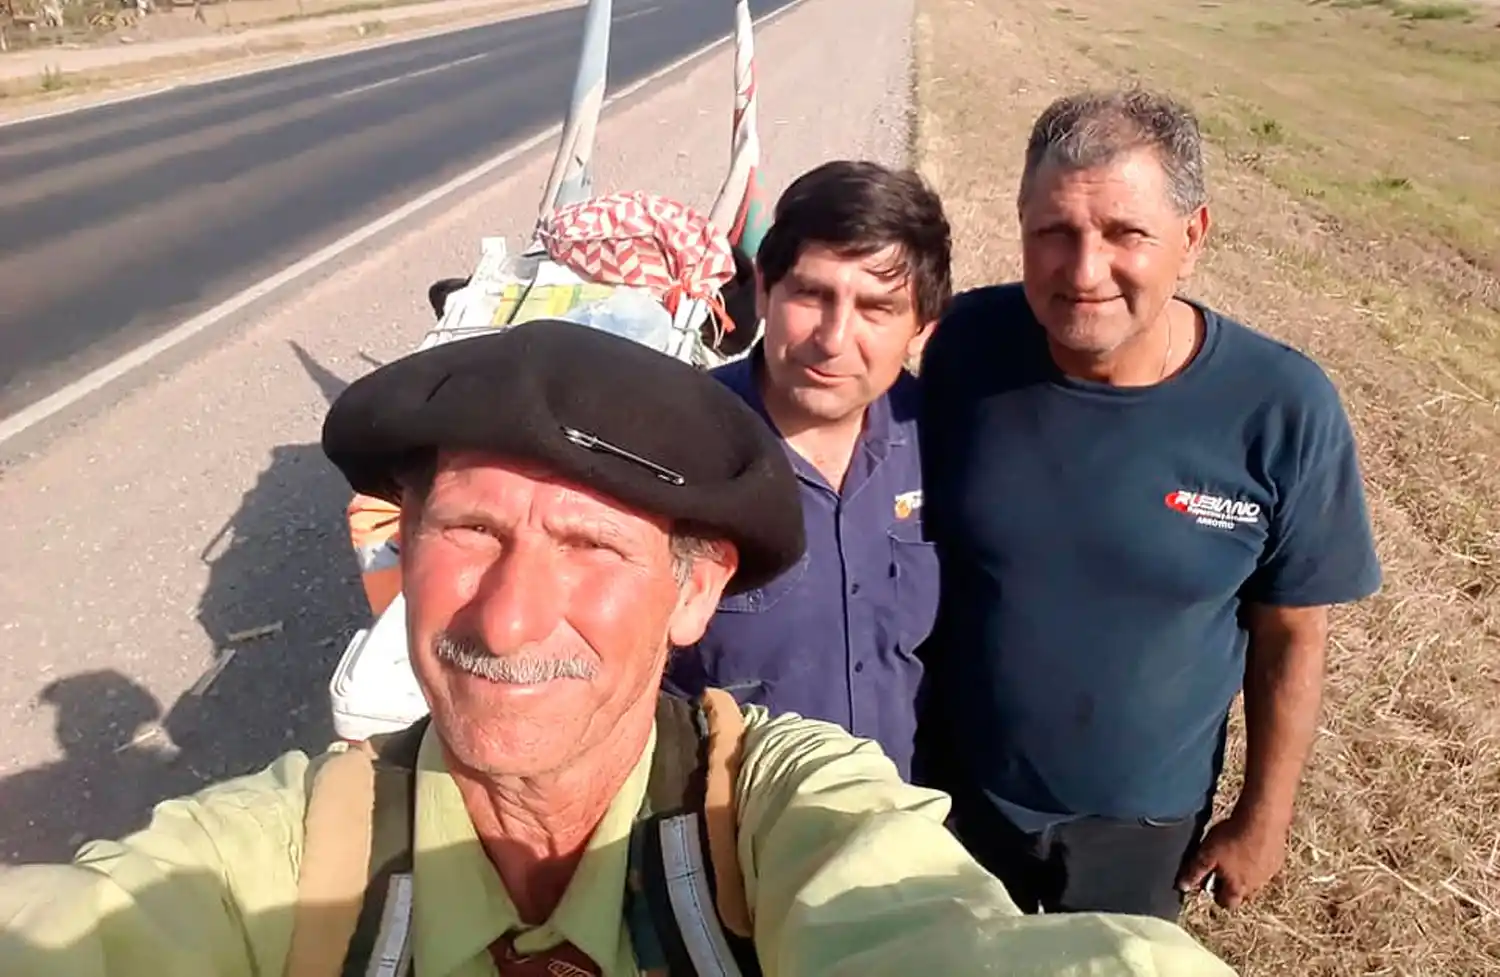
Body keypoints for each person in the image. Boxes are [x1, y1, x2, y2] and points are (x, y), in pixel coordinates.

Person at [0, 319, 1237, 977]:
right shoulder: (284, 857)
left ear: (697, 590)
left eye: (591, 547)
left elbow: (926, 928)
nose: (506, 618)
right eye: (470, 531)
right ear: (398, 546)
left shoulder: (778, 815)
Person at [915, 88, 1382, 922]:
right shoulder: (966, 347)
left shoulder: (1279, 407)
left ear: (1191, 238)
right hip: (958, 795)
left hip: (1143, 825)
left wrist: (1264, 816)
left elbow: (1290, 633)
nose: (1083, 271)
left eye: (1125, 233)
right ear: (1020, 222)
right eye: (1055, 231)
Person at [664, 160, 948, 780]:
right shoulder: (674, 448)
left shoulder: (943, 441)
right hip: (731, 822)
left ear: (922, 328)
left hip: (900, 816)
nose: (834, 338)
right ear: (764, 290)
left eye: (876, 308)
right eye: (812, 295)